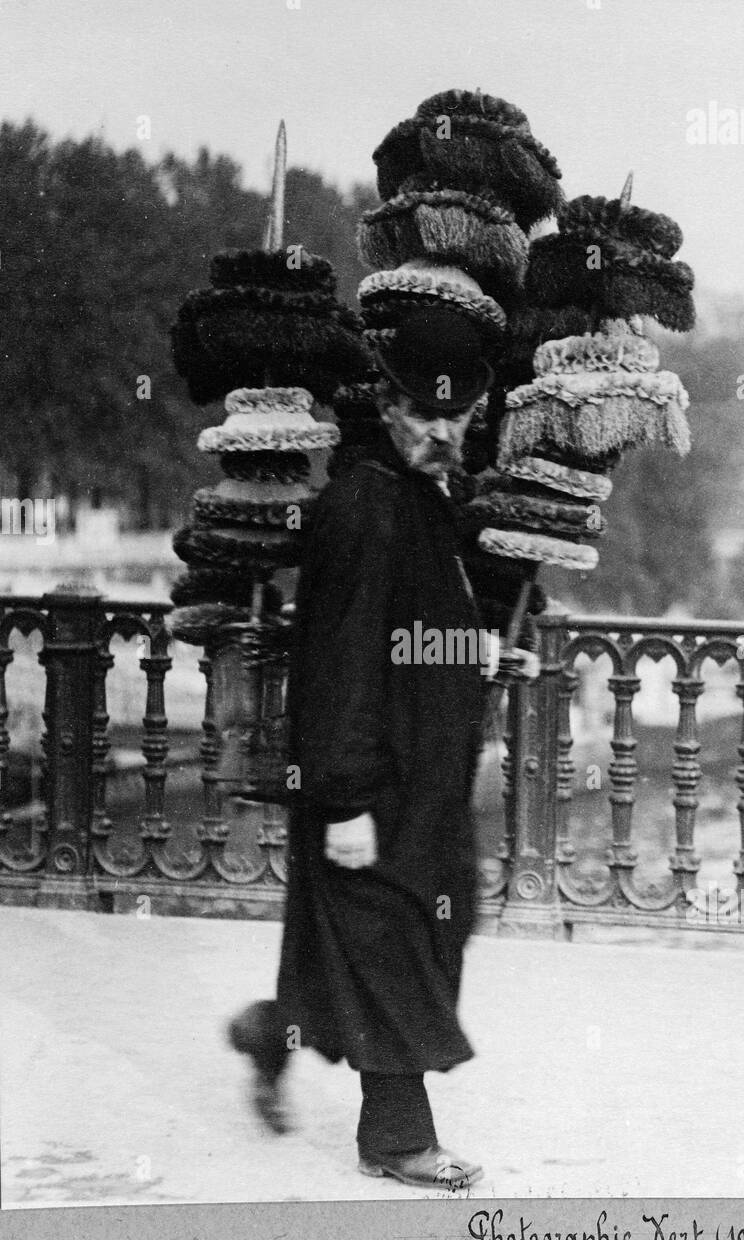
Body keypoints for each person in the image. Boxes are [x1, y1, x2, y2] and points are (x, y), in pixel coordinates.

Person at [229, 305, 538, 1189]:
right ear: (389, 404)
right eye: (423, 414)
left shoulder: (422, 498)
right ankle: (395, 1138)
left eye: (457, 418)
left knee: (427, 929)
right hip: (372, 780)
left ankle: (270, 1029)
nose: (441, 432)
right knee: (395, 939)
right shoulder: (364, 505)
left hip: (423, 777)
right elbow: (339, 661)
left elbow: (409, 636)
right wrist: (346, 798)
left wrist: (476, 651)